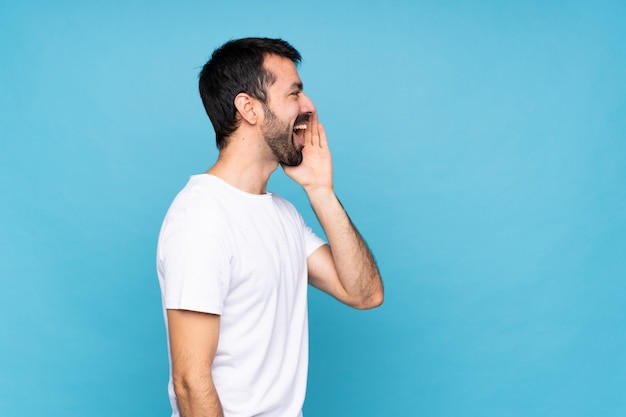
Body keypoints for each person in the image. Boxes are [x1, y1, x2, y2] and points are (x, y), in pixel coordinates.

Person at [156, 37, 384, 417]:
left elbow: (364, 294)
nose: (309, 107)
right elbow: (190, 383)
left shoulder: (282, 215)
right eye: (294, 93)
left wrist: (320, 190)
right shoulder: (201, 217)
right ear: (248, 108)